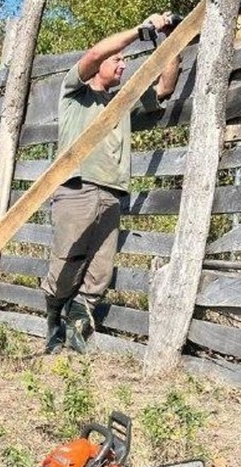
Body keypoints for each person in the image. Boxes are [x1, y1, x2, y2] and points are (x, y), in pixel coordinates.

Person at [40, 12, 182, 354]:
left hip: (113, 191)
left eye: (124, 62)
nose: (122, 67)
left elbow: (165, 87)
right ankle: (53, 321)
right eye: (117, 60)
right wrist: (139, 31)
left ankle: (77, 325)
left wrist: (169, 39)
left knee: (100, 269)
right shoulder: (75, 94)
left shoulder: (125, 102)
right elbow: (91, 55)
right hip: (77, 186)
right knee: (66, 259)